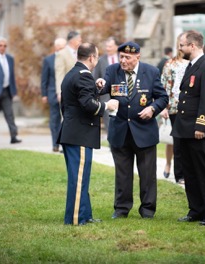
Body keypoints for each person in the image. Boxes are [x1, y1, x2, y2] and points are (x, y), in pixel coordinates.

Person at [96, 41, 168, 219]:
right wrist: (99, 83)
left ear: (138, 57)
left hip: (144, 132)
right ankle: (121, 209)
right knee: (122, 174)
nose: (123, 60)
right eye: (121, 56)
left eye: (127, 57)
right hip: (120, 131)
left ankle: (147, 210)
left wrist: (152, 109)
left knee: (147, 174)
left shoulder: (151, 72)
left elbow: (162, 97)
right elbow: (104, 87)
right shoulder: (113, 70)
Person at [57, 43, 119, 225]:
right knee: (78, 180)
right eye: (97, 56)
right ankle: (76, 218)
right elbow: (87, 104)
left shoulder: (73, 74)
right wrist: (107, 105)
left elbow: (74, 101)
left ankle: (85, 215)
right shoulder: (83, 76)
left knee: (80, 178)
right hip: (79, 134)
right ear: (91, 57)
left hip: (73, 132)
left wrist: (96, 88)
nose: (97, 60)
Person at [172, 30, 205, 226]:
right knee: (190, 172)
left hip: (199, 130)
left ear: (192, 46)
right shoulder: (193, 66)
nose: (180, 49)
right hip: (185, 129)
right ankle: (196, 209)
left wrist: (201, 125)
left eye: (182, 45)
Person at [159, 33, 189, 184]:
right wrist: (163, 107)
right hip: (174, 108)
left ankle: (191, 173)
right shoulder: (170, 64)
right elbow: (163, 86)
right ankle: (180, 175)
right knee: (178, 142)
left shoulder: (195, 63)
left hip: (191, 107)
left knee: (189, 142)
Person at [41, 37, 67, 152]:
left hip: (66, 94)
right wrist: (44, 94)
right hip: (52, 94)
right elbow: (44, 78)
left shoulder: (69, 58)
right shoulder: (48, 60)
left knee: (65, 120)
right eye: (60, 47)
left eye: (63, 47)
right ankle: (55, 144)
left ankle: (63, 144)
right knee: (54, 120)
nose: (62, 50)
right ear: (56, 47)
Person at [92, 37, 119, 134]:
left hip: (122, 93)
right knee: (109, 120)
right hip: (106, 95)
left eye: (110, 46)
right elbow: (95, 76)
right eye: (107, 46)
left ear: (116, 47)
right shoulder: (101, 60)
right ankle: (111, 141)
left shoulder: (122, 58)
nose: (108, 48)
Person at [55, 30, 82, 102]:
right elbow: (59, 74)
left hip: (81, 90)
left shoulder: (80, 53)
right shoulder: (61, 54)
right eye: (79, 40)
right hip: (69, 90)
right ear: (72, 41)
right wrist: (59, 92)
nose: (80, 42)